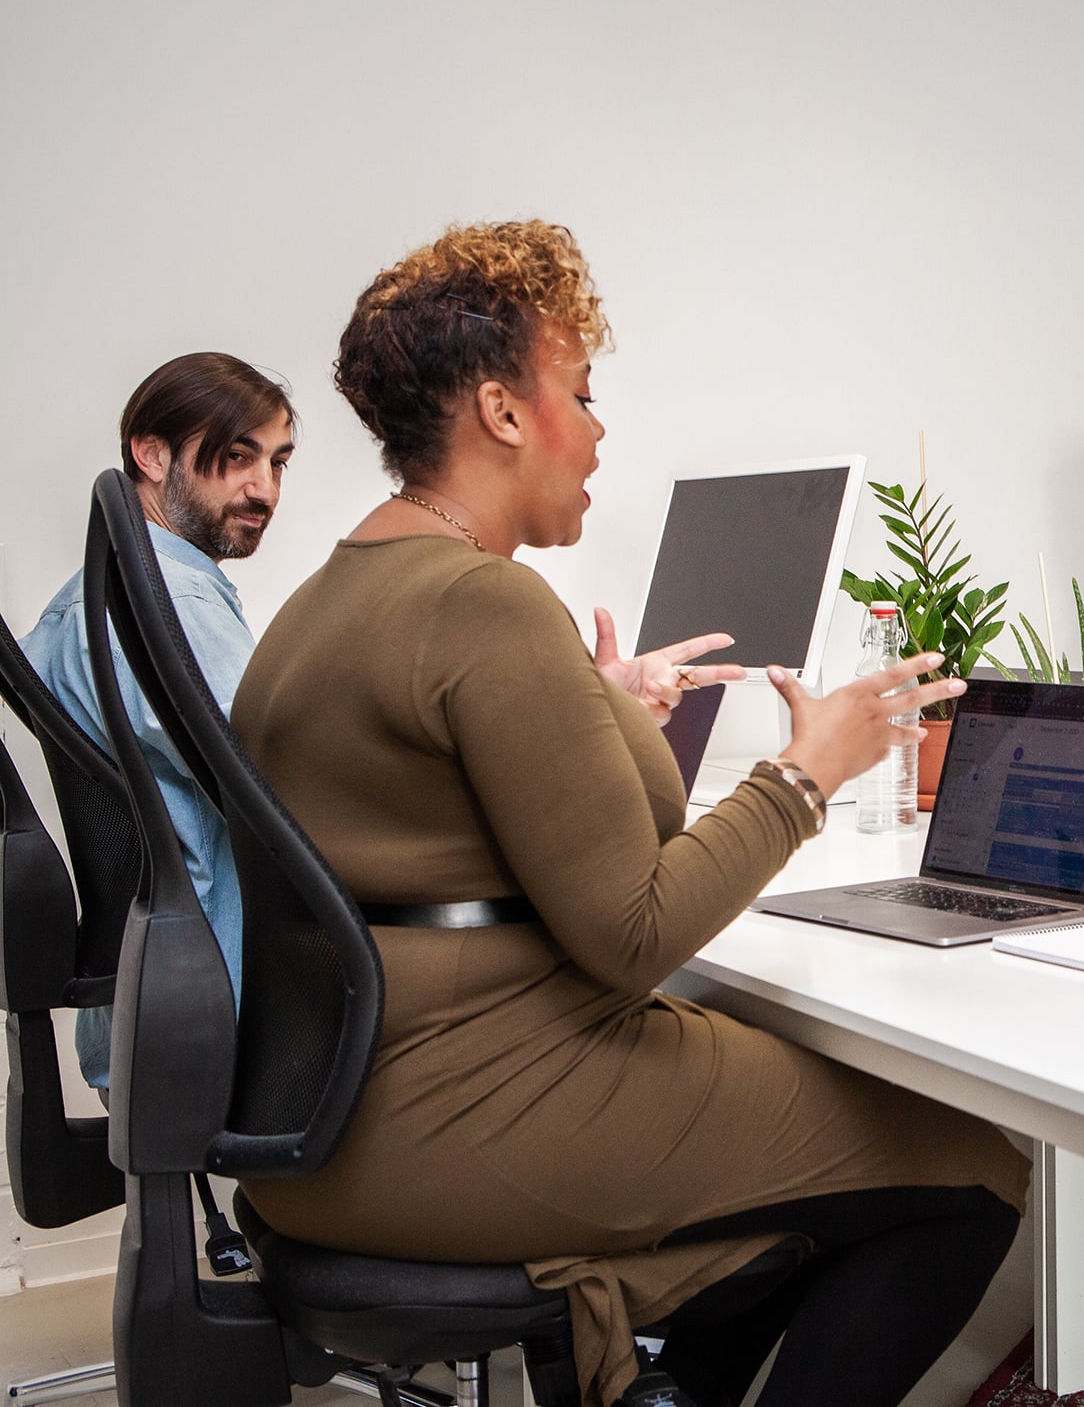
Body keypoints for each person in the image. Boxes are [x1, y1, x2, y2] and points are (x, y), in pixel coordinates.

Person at [228, 220, 1027, 1407]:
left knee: (786, 1112)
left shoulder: (329, 594)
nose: (599, 430)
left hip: (321, 1119)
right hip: (457, 1114)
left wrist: (593, 712)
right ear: (503, 412)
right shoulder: (485, 606)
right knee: (970, 1162)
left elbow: (518, 828)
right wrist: (805, 774)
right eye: (583, 393)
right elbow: (636, 931)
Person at [23, 352, 296, 1089]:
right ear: (150, 453)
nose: (264, 488)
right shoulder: (176, 603)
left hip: (144, 1011)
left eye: (278, 463)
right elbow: (290, 800)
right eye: (238, 457)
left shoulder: (82, 600)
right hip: (227, 1011)